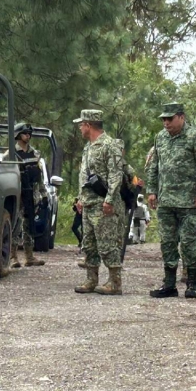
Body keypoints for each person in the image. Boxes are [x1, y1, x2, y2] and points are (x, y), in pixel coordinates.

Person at [146, 103, 196, 299]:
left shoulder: (195, 137)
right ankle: (169, 285)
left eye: (170, 119)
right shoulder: (160, 138)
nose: (166, 123)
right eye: (164, 119)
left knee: (189, 243)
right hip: (166, 201)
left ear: (181, 117)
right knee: (167, 242)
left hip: (189, 202)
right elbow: (154, 165)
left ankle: (192, 284)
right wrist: (151, 190)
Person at [73, 110, 124, 295]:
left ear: (89, 125)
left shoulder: (109, 145)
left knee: (108, 244)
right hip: (88, 204)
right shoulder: (88, 147)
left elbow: (116, 175)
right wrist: (80, 198)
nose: (79, 128)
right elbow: (84, 175)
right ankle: (91, 279)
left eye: (81, 124)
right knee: (89, 244)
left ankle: (115, 282)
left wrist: (109, 200)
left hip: (103, 204)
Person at [11, 122, 48, 268]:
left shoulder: (35, 153)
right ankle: (13, 257)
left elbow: (39, 177)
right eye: (25, 133)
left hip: (32, 193)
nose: (28, 136)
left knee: (29, 224)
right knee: (16, 225)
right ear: (18, 135)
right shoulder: (11, 153)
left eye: (29, 133)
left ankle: (29, 256)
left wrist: (43, 194)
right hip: (17, 194)